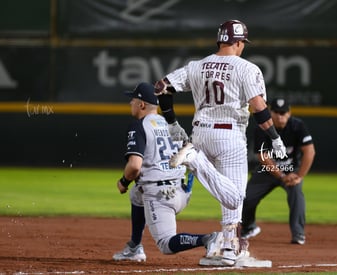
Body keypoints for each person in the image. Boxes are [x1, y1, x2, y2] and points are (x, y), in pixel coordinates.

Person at [154, 20, 287, 266]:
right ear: (238, 42)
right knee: (236, 198)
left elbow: (161, 87)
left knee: (228, 194)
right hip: (229, 135)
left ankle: (229, 251)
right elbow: (258, 108)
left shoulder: (197, 66)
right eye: (242, 43)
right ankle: (194, 159)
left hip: (200, 133)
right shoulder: (246, 68)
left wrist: (172, 123)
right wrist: (275, 138)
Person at [112, 82, 221, 262]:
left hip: (160, 196)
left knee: (165, 244)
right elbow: (190, 150)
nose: (130, 103)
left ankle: (208, 238)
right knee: (136, 194)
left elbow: (134, 166)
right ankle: (134, 247)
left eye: (133, 99)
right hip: (182, 191)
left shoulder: (139, 126)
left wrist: (123, 181)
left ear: (142, 104)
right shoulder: (171, 124)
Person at [241, 98, 315, 245]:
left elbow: (309, 152)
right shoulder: (262, 127)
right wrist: (281, 175)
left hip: (291, 171)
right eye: (276, 112)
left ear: (289, 113)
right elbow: (263, 156)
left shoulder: (297, 125)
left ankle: (298, 234)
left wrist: (299, 176)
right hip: (267, 171)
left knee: (296, 194)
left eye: (284, 113)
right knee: (247, 198)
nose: (280, 116)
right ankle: (248, 228)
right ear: (270, 112)